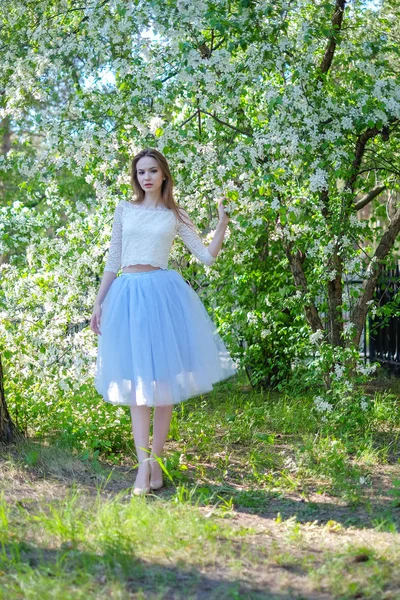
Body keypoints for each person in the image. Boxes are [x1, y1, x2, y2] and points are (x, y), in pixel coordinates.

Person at [90, 148, 237, 496]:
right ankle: (144, 470)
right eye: (141, 172)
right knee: (138, 388)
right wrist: (98, 304)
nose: (147, 177)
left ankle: (156, 463)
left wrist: (221, 224)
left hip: (161, 295)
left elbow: (205, 258)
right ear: (135, 177)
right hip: (127, 296)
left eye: (153, 171)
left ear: (164, 175)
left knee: (163, 386)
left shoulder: (174, 214)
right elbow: (113, 260)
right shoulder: (124, 210)